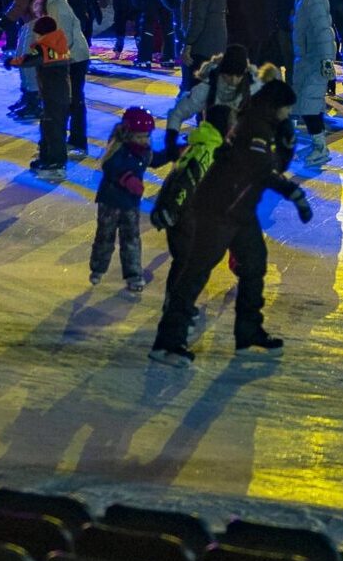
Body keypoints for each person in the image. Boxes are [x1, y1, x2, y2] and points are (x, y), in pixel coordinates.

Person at [149, 81, 312, 368]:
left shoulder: (260, 123)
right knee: (196, 273)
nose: (289, 114)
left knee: (254, 264)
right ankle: (167, 343)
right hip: (218, 208)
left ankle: (248, 334)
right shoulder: (254, 127)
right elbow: (262, 169)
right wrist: (294, 192)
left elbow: (271, 167)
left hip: (239, 209)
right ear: (276, 106)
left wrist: (285, 146)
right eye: (287, 109)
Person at [91, 107, 165, 291]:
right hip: (110, 200)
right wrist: (127, 179)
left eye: (146, 136)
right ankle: (98, 268)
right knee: (105, 236)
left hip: (131, 203)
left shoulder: (143, 150)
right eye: (139, 136)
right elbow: (110, 165)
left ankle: (133, 274)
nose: (144, 140)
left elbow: (154, 160)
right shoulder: (118, 147)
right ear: (128, 133)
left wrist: (175, 151)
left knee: (131, 238)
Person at [38, 0, 91, 171]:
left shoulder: (57, 7)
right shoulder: (53, 4)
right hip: (71, 58)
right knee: (70, 100)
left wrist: (52, 58)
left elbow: (64, 38)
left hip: (74, 59)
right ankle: (74, 138)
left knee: (72, 99)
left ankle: (76, 139)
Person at [290, 0, 337, 164]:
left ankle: (320, 148)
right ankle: (317, 145)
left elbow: (323, 28)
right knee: (309, 105)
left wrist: (327, 60)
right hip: (307, 58)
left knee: (309, 106)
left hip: (316, 59)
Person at [167, 44, 260, 139]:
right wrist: (171, 140)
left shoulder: (253, 86)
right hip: (213, 141)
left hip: (244, 143)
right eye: (229, 75)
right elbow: (178, 114)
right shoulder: (210, 86)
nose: (233, 80)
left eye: (238, 76)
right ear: (222, 72)